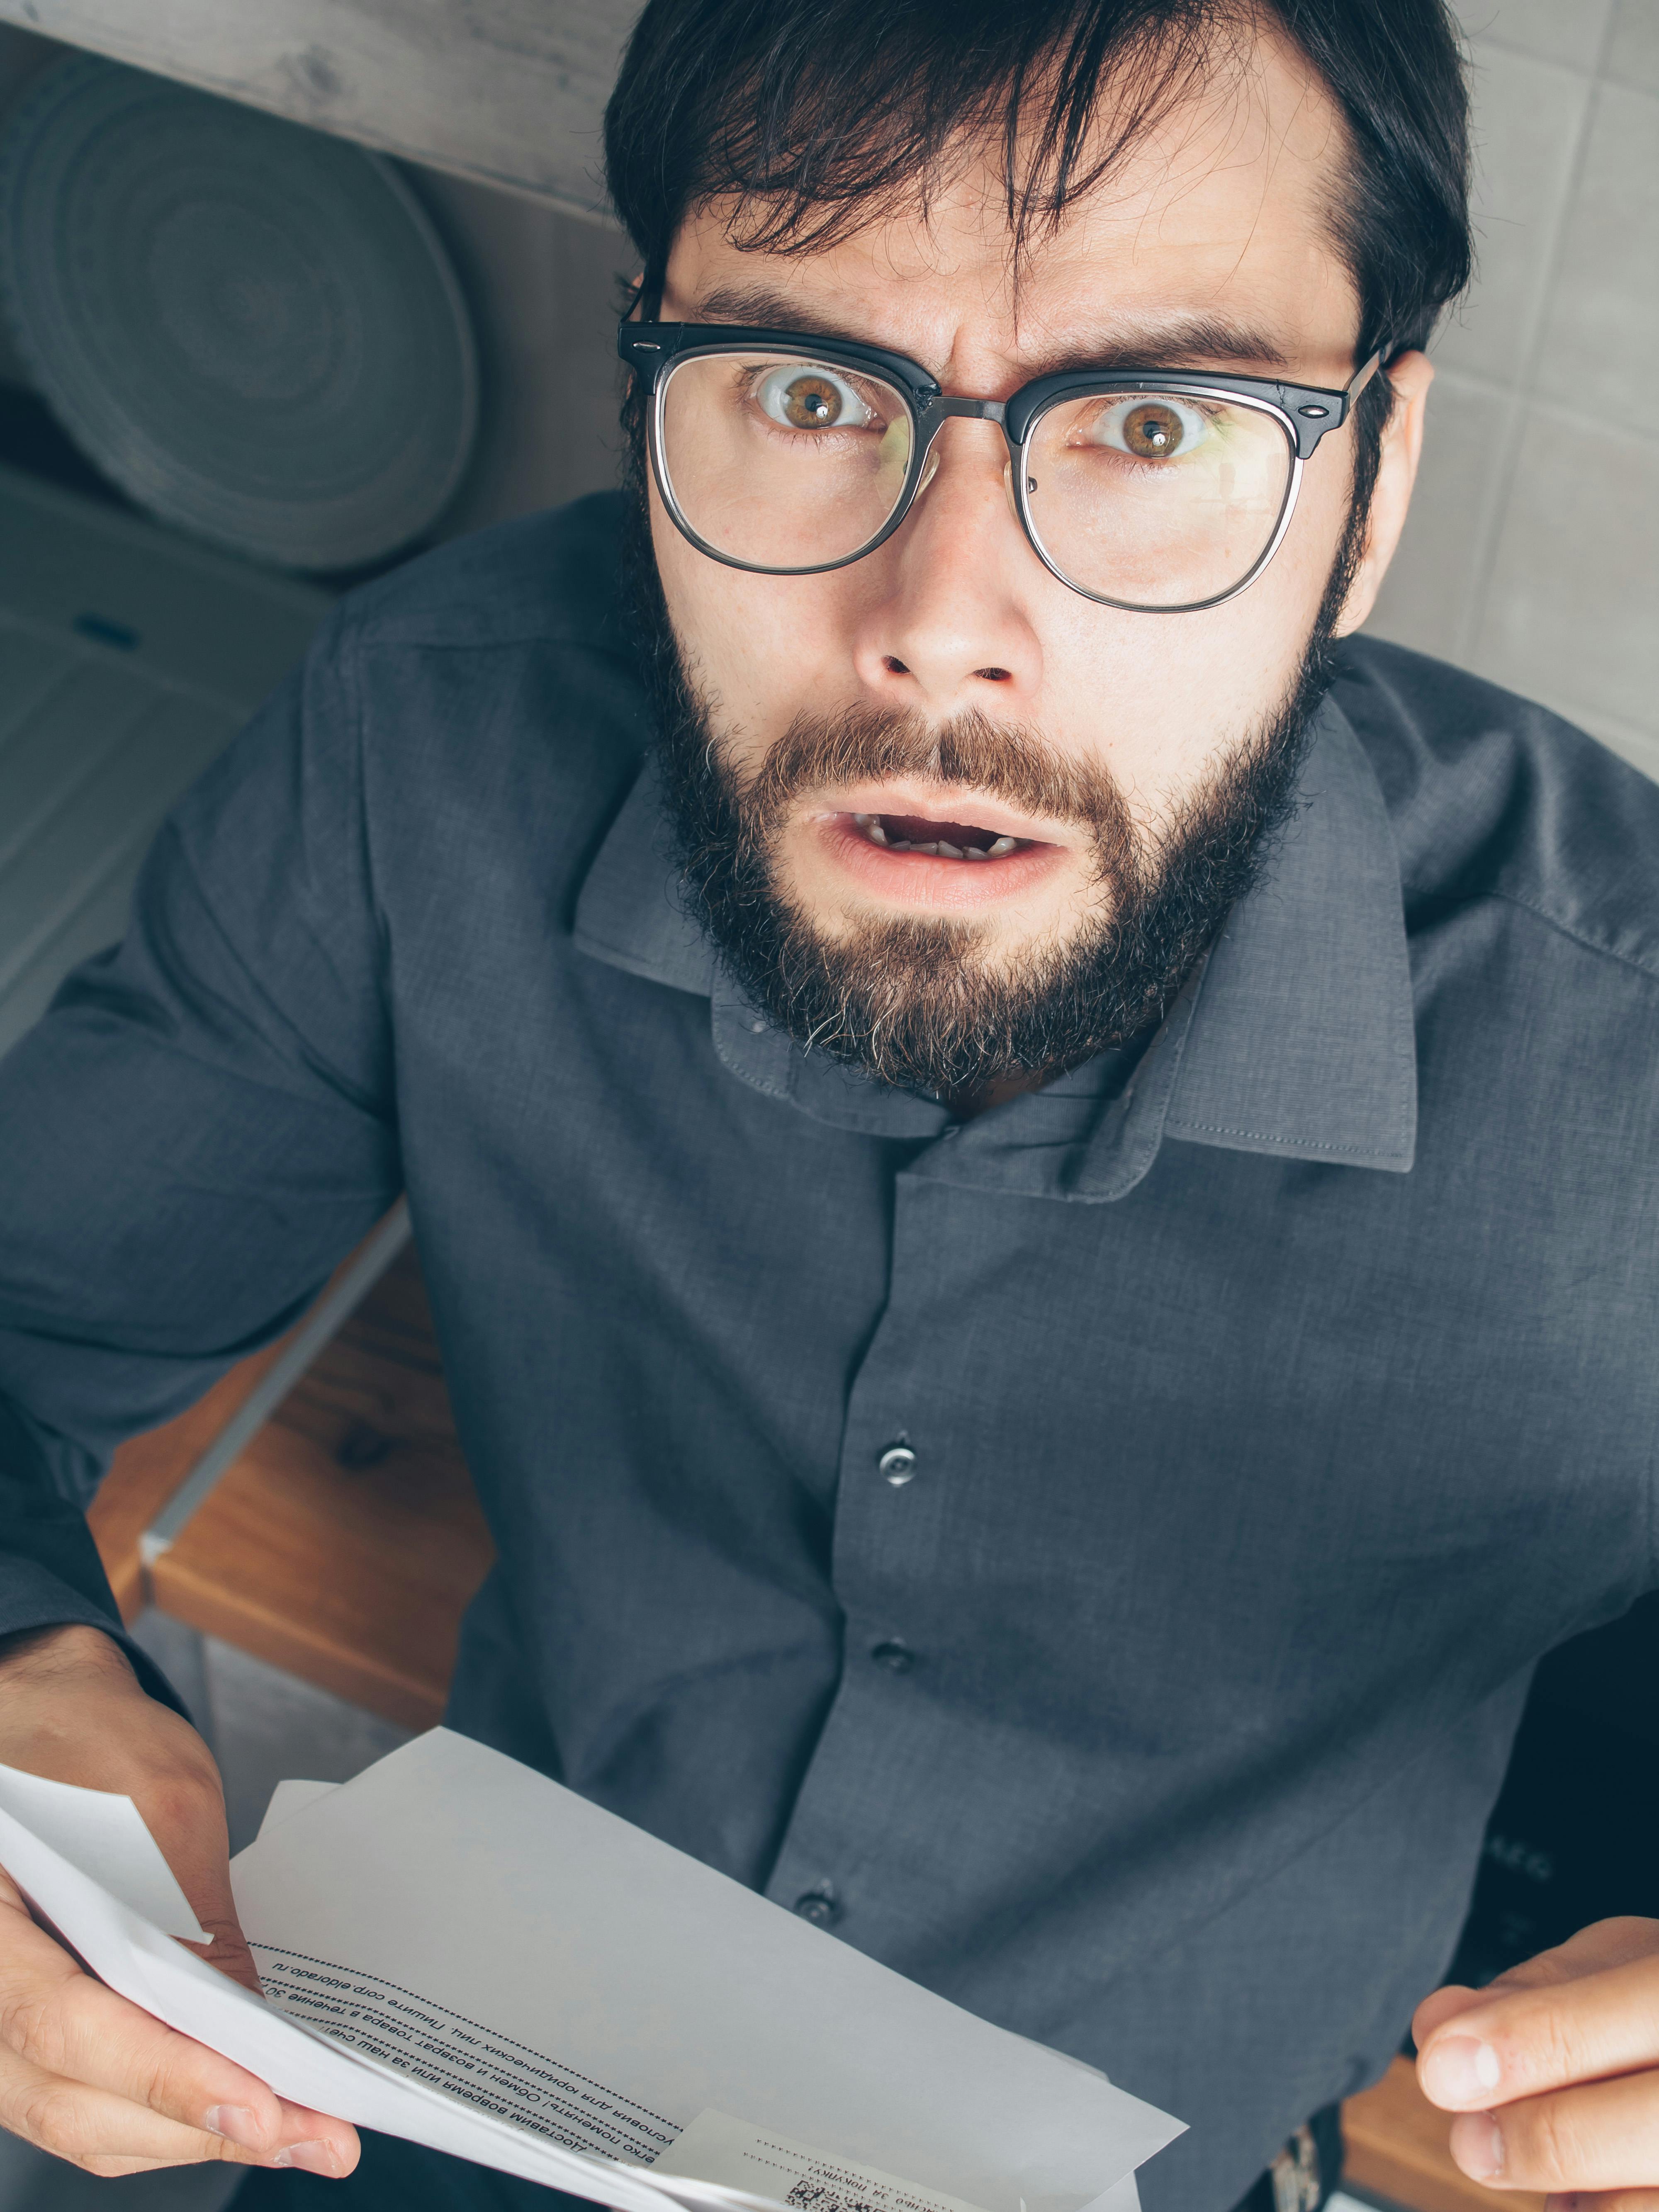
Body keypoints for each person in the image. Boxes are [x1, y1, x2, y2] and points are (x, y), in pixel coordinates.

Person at [2, 0, 1658, 2207]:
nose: (940, 624)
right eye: (805, 393)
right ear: (647, 380)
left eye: (1153, 422)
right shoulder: (423, 744)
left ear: (1370, 486)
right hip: (459, 2090)